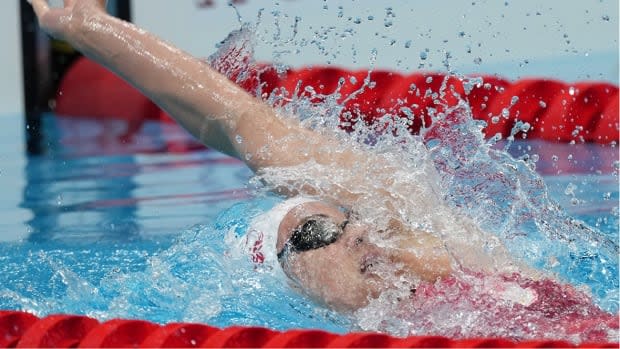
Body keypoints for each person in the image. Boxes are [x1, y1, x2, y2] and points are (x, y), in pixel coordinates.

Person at [30, 3, 618, 340]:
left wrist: (81, 23)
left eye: (349, 217)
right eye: (314, 234)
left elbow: (237, 119)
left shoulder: (457, 254)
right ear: (290, 283)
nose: (357, 231)